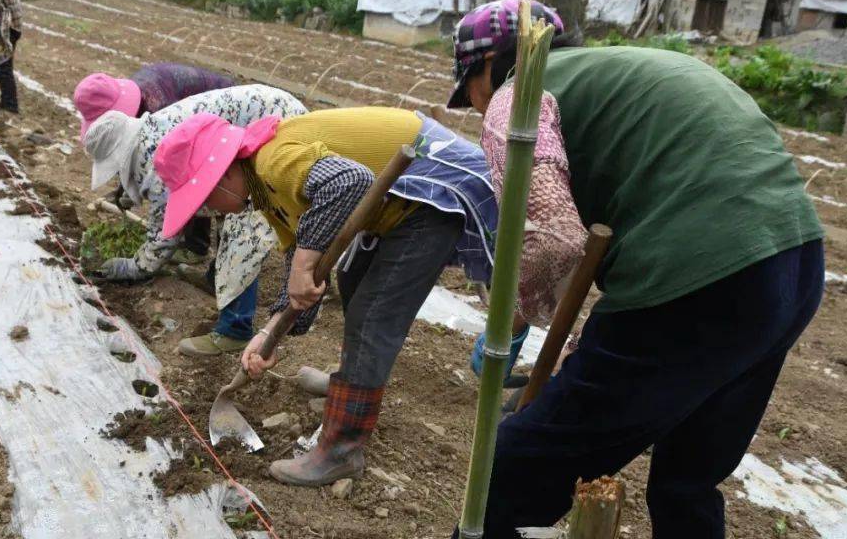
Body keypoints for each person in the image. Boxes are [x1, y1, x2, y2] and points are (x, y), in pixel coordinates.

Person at [420, 0, 825, 539]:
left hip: (695, 276)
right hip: (792, 265)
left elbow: (551, 238)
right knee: (687, 477)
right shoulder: (628, 68)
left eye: (469, 90)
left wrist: (516, 320)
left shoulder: (519, 96)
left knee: (524, 457)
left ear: (489, 69)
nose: (475, 104)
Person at [152, 107, 516, 487]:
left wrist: (303, 263)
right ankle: (348, 383)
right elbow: (304, 262)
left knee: (374, 314)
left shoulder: (273, 160)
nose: (209, 210)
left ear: (223, 174)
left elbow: (349, 182)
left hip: (430, 188)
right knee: (353, 277)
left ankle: (341, 452)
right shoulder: (263, 191)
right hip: (396, 197)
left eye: (206, 199)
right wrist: (270, 333)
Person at [78, 80, 307, 357]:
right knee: (229, 208)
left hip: (276, 127)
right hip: (265, 114)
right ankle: (215, 279)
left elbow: (164, 233)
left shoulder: (157, 156)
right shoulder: (149, 133)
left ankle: (235, 329)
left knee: (243, 228)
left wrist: (135, 267)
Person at [75, 64, 235, 264]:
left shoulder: (158, 107)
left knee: (206, 182)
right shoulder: (137, 103)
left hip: (227, 110)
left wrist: (139, 264)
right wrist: (126, 186)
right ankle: (197, 247)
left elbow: (169, 181)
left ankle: (211, 260)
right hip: (200, 115)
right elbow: (131, 150)